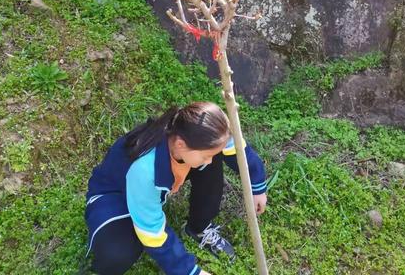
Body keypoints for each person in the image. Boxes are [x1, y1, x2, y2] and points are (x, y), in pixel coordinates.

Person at [85, 101, 268, 275]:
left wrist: (257, 186)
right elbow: (152, 230)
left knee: (210, 157)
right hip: (115, 196)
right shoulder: (144, 170)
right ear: (180, 145)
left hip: (147, 186)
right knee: (117, 255)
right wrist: (189, 271)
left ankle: (199, 227)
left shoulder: (201, 131)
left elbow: (233, 147)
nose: (210, 160)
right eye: (205, 156)